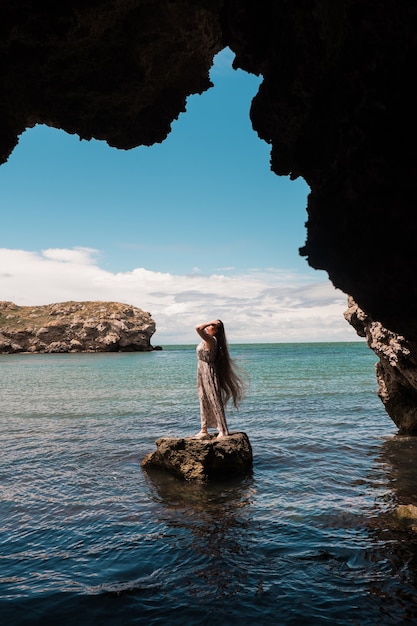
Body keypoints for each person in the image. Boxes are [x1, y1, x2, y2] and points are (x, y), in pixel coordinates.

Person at [194, 319, 245, 439]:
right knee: (203, 398)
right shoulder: (206, 340)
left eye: (212, 326)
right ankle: (204, 429)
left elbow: (197, 328)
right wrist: (211, 323)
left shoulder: (212, 340)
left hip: (208, 370)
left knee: (213, 398)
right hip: (201, 370)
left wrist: (209, 322)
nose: (208, 327)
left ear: (216, 330)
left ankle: (222, 429)